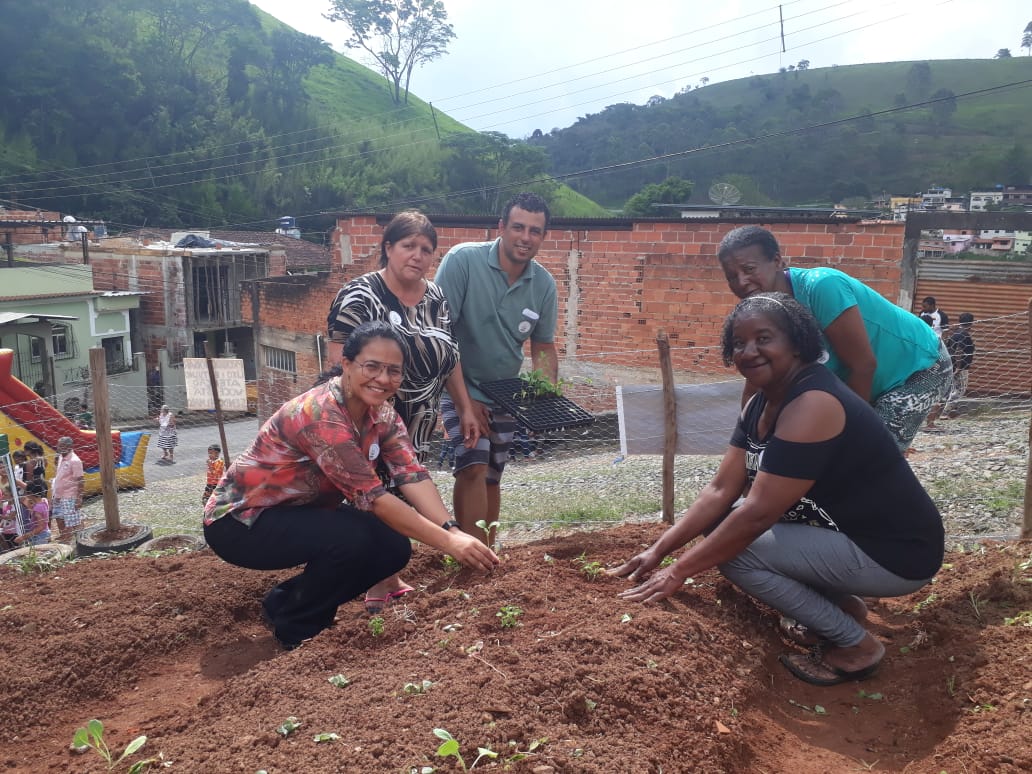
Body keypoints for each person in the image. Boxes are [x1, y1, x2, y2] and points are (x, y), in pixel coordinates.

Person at [612, 293, 944, 687]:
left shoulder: (814, 403)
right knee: (721, 524)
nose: (749, 351)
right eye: (739, 343)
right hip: (847, 537)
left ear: (798, 343)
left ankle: (856, 646)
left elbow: (757, 514)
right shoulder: (759, 406)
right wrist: (658, 550)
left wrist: (678, 572)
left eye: (764, 338)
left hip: (897, 553)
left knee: (737, 554)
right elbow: (719, 491)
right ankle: (844, 610)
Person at [203, 321, 499, 650]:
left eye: (393, 371)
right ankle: (299, 631)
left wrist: (451, 528)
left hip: (297, 513)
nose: (383, 379)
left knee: (392, 546)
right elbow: (374, 499)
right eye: (371, 366)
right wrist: (448, 544)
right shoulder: (320, 415)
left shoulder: (382, 415)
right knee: (352, 539)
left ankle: (285, 603)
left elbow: (411, 474)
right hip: (240, 523)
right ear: (346, 364)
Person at [327, 210, 481, 612]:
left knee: (408, 492)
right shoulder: (359, 296)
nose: (417, 255)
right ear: (388, 248)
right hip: (370, 420)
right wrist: (353, 421)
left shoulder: (435, 297)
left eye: (426, 249)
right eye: (408, 245)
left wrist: (463, 406)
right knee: (376, 496)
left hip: (420, 418)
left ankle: (390, 576)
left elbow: (450, 355)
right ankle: (376, 586)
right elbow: (337, 365)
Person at [716, 225, 952, 452]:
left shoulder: (821, 287)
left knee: (864, 458)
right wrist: (750, 445)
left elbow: (863, 366)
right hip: (862, 382)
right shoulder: (761, 309)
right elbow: (757, 387)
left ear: (777, 261)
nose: (741, 282)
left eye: (749, 269)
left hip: (918, 367)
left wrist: (842, 437)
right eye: (731, 277)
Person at [434, 192, 560, 543]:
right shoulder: (463, 261)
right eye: (518, 227)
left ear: (543, 236)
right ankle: (469, 554)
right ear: (501, 227)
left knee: (493, 473)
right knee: (473, 463)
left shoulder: (544, 284)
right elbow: (441, 335)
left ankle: (488, 554)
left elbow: (543, 346)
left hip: (504, 392)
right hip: (456, 381)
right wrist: (464, 403)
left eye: (535, 231)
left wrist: (545, 396)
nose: (526, 237)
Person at [929, 312, 976, 426]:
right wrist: (959, 367)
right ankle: (945, 412)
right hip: (961, 367)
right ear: (971, 323)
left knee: (954, 389)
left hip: (953, 365)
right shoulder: (964, 335)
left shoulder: (955, 333)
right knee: (960, 390)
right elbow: (959, 350)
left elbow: (949, 347)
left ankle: (950, 411)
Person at [51, 436, 84, 539]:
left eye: (62, 446)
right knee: (62, 519)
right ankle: (68, 540)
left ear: (69, 447)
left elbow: (81, 480)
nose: (59, 447)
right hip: (59, 496)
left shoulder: (75, 461)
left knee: (74, 521)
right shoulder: (61, 457)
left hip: (70, 496)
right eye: (58, 445)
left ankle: (81, 540)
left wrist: (79, 499)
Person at [15, 480, 52, 546]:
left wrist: (23, 537)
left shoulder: (37, 508)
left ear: (31, 493)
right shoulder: (44, 500)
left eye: (27, 493)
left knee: (39, 554)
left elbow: (40, 527)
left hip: (40, 535)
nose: (26, 494)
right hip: (45, 531)